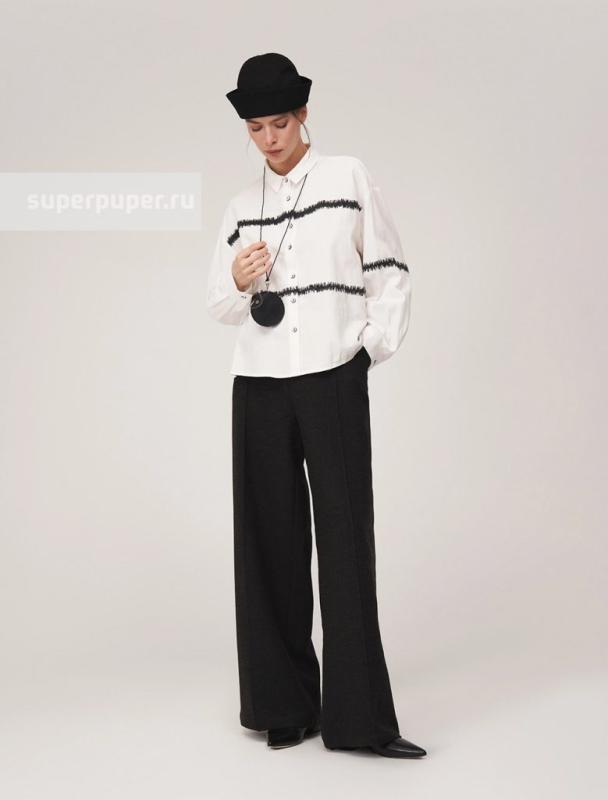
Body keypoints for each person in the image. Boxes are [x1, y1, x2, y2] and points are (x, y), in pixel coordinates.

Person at [206, 52, 427, 759]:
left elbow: (389, 269)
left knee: (345, 539)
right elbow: (219, 303)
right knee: (268, 540)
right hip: (259, 384)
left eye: (279, 122)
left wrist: (367, 347)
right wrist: (239, 280)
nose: (269, 139)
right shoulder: (240, 207)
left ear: (302, 114)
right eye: (255, 128)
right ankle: (283, 705)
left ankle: (361, 721)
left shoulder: (347, 177)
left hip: (331, 374)